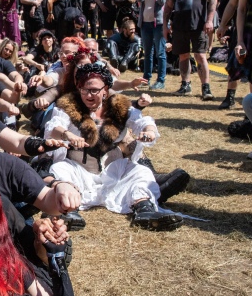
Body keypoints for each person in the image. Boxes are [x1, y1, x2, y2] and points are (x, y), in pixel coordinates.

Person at [46, 63, 182, 230]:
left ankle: (144, 210)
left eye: (94, 90)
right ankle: (69, 211)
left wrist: (150, 132)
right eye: (84, 89)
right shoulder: (68, 106)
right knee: (60, 170)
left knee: (141, 172)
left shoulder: (120, 107)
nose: (88, 95)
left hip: (112, 173)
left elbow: (143, 121)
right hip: (78, 171)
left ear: (106, 89)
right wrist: (68, 134)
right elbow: (53, 127)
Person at [163, 0, 219, 100]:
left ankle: (205, 88)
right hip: (179, 25)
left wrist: (209, 21)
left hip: (198, 25)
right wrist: (165, 26)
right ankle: (185, 84)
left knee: (200, 55)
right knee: (183, 55)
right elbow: (168, 6)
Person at [137, 0, 167, 90]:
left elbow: (162, 1)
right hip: (145, 23)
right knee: (148, 52)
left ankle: (160, 80)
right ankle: (146, 78)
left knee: (160, 53)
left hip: (158, 24)